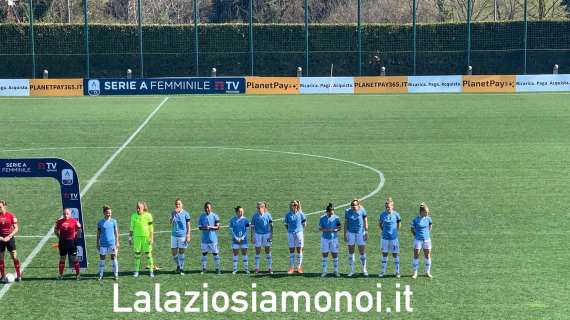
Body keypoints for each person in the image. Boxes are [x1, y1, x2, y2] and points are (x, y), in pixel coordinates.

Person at [55, 208, 82, 280]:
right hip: (62, 242)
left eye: (67, 214)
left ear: (70, 214)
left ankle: (78, 274)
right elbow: (56, 230)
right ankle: (61, 275)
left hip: (71, 243)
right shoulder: (59, 221)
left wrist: (75, 238)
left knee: (74, 258)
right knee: (62, 258)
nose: (65, 215)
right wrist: (59, 237)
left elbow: (79, 230)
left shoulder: (74, 221)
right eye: (64, 214)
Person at [129, 201, 154, 278]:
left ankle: (151, 271)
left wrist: (151, 237)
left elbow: (151, 228)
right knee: (137, 254)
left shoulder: (148, 215)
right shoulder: (133, 216)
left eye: (139, 207)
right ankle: (136, 271)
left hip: (146, 238)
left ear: (143, 207)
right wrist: (130, 238)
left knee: (148, 254)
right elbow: (131, 228)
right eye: (137, 207)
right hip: (137, 238)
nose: (137, 209)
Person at [344, 198, 369, 277]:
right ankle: (352, 270)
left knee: (362, 251)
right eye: (352, 205)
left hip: (360, 233)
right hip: (351, 233)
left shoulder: (362, 210)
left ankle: (364, 269)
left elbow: (365, 221)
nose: (353, 207)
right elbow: (346, 223)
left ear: (358, 205)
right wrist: (345, 234)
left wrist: (366, 232)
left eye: (355, 205)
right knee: (351, 251)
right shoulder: (347, 212)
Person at [378, 197, 401, 278]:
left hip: (393, 238)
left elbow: (399, 224)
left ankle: (397, 272)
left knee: (395, 255)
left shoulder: (396, 214)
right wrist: (383, 230)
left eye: (389, 207)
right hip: (384, 238)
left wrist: (396, 231)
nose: (388, 208)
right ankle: (383, 271)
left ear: (392, 206)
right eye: (386, 207)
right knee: (384, 254)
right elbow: (380, 224)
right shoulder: (382, 215)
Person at [96, 205, 119, 281]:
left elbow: (116, 232)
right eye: (107, 213)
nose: (109, 214)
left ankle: (116, 275)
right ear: (104, 213)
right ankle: (101, 275)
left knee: (114, 258)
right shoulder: (100, 223)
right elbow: (98, 234)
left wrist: (117, 242)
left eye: (110, 213)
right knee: (102, 259)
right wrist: (97, 243)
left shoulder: (114, 221)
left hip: (112, 244)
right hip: (103, 244)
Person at [0, 200, 21, 282]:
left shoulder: (11, 216)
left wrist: (9, 236)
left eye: (0, 207)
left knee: (14, 257)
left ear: (4, 207)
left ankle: (18, 275)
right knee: (1, 258)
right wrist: (1, 238)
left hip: (10, 238)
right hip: (1, 239)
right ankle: (2, 276)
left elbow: (16, 228)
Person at [411, 202, 433, 279]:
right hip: (418, 240)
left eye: (428, 212)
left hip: (427, 240)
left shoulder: (428, 218)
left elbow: (430, 225)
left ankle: (427, 272)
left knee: (428, 255)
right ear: (421, 212)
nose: (427, 213)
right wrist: (416, 236)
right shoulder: (415, 220)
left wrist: (427, 234)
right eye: (426, 212)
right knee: (416, 255)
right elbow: (412, 229)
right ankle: (415, 272)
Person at [198, 202, 221, 274]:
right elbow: (199, 227)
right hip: (204, 240)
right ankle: (204, 268)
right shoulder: (201, 217)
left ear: (211, 208)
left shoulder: (215, 216)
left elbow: (218, 227)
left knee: (215, 254)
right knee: (204, 254)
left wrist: (210, 227)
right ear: (204, 208)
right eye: (206, 208)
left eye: (208, 207)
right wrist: (205, 228)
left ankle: (217, 269)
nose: (207, 209)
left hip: (213, 239)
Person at [319, 203, 341, 277]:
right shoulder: (322, 218)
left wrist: (335, 229)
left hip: (334, 239)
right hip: (324, 239)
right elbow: (320, 228)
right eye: (331, 211)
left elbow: (339, 227)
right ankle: (324, 271)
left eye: (333, 211)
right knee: (325, 254)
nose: (332, 213)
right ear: (327, 211)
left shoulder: (336, 218)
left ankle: (336, 271)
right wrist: (327, 229)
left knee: (335, 255)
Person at [250, 201, 273, 274]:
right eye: (257, 207)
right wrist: (252, 237)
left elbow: (271, 226)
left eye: (260, 207)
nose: (258, 209)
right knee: (257, 251)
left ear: (263, 208)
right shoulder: (254, 216)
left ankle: (270, 268)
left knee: (268, 250)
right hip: (257, 235)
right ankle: (257, 268)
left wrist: (271, 235)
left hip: (266, 234)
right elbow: (252, 227)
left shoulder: (268, 215)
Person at [284, 200, 306, 274]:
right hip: (291, 233)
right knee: (291, 250)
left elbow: (304, 224)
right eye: (292, 205)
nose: (294, 206)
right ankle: (292, 268)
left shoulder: (301, 214)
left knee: (299, 250)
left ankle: (299, 267)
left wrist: (300, 230)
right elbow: (286, 224)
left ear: (297, 206)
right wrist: (290, 230)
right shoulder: (288, 215)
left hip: (299, 233)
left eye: (295, 205)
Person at [170, 198, 191, 275]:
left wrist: (188, 235)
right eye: (176, 204)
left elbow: (188, 225)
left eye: (179, 204)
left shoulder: (186, 214)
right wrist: (173, 215)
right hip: (174, 235)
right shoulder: (173, 213)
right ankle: (179, 265)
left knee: (181, 252)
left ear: (182, 205)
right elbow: (170, 222)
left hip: (182, 236)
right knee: (174, 253)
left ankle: (181, 268)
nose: (177, 205)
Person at [229, 206, 250, 274]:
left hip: (243, 240)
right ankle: (235, 269)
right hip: (235, 240)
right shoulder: (232, 220)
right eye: (240, 211)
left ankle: (246, 269)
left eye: (242, 211)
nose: (241, 213)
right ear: (237, 212)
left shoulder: (246, 220)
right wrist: (236, 238)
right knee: (235, 254)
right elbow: (231, 230)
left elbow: (247, 230)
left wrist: (242, 238)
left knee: (245, 254)